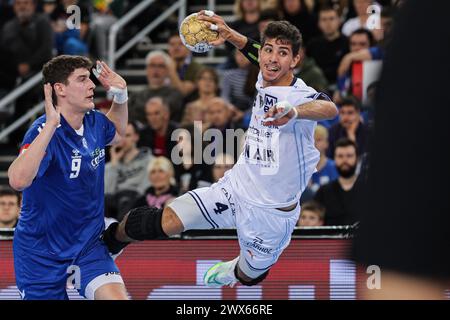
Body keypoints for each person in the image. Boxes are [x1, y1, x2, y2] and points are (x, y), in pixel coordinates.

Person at [101, 13, 337, 288]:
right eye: (269, 50)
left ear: (296, 60)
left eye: (283, 53)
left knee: (251, 276)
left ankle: (232, 271)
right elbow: (255, 52)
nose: (273, 58)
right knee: (165, 219)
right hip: (235, 188)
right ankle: (109, 242)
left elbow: (328, 108)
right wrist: (228, 34)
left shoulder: (299, 94)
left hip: (272, 214)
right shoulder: (265, 74)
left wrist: (294, 112)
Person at [7, 55, 129, 300]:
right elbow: (18, 181)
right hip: (40, 252)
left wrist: (121, 96)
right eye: (82, 79)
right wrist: (52, 124)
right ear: (60, 89)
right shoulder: (43, 130)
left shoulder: (94, 121)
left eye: (90, 79)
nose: (92, 85)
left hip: (88, 245)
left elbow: (117, 135)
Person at [105, 122, 153, 221]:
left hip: (136, 200)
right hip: (114, 202)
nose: (123, 140)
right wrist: (114, 164)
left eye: (127, 136)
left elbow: (144, 189)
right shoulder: (110, 165)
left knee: (127, 199)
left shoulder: (149, 161)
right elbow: (107, 191)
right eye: (120, 136)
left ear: (136, 137)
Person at [314, 138, 364, 225]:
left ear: (357, 158)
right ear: (334, 158)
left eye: (349, 156)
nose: (345, 160)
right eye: (340, 156)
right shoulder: (323, 192)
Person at [128, 50, 184, 124]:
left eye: (161, 66)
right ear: (147, 69)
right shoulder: (135, 96)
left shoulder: (175, 94)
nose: (156, 70)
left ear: (167, 71)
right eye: (152, 65)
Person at [306, 5, 349, 85]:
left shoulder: (348, 42)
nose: (328, 23)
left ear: (339, 21)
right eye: (324, 20)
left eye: (331, 19)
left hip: (341, 85)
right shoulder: (312, 44)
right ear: (319, 23)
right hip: (316, 86)